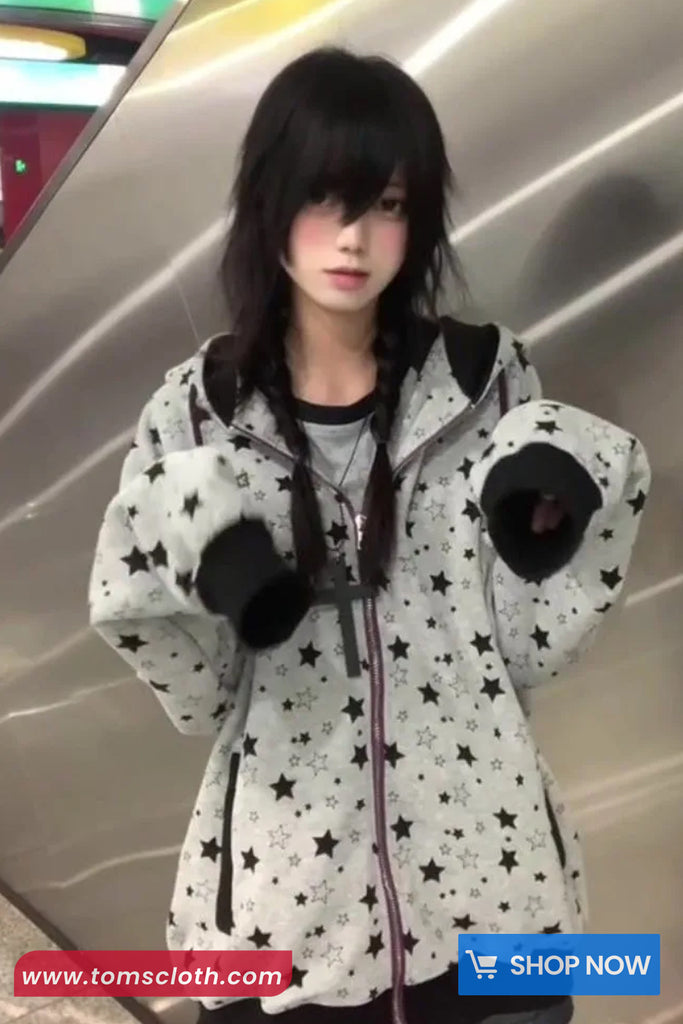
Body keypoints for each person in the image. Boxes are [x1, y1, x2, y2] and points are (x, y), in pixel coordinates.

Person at [88, 47, 650, 1024]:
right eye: (323, 198)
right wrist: (200, 561)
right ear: (268, 202)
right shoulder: (196, 416)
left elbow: (527, 648)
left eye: (386, 204)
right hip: (280, 919)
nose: (352, 236)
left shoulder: (488, 384)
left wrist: (563, 513)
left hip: (495, 904)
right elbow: (197, 696)